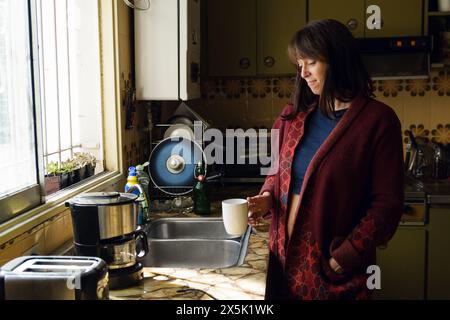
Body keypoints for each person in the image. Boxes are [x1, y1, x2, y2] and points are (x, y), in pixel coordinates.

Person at [246, 19, 404, 300]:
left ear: (337, 60)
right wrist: (266, 197)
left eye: (311, 62)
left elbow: (387, 206)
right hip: (281, 269)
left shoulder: (378, 121)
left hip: (334, 278)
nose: (303, 72)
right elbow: (275, 174)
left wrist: (346, 255)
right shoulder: (290, 117)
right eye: (299, 64)